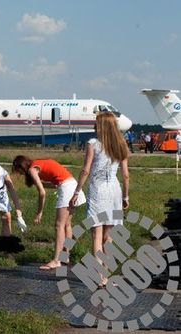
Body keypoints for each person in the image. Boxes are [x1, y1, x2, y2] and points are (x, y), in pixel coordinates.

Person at [70, 112, 129, 287]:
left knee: (96, 235)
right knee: (108, 237)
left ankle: (99, 276)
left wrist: (77, 191)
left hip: (98, 191)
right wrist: (126, 196)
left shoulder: (93, 144)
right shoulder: (121, 144)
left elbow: (85, 170)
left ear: (100, 126)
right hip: (115, 191)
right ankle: (107, 276)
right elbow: (125, 175)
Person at [12, 155, 86, 270]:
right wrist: (40, 184)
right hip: (73, 185)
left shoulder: (32, 169)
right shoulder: (38, 163)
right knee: (67, 224)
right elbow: (55, 183)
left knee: (59, 225)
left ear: (21, 167)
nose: (20, 174)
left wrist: (39, 212)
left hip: (66, 188)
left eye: (18, 171)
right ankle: (66, 256)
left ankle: (56, 260)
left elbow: (42, 193)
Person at [0, 164, 26, 236]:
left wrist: (19, 214)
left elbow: (12, 191)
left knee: (7, 217)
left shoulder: (3, 173)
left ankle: (5, 244)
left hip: (0, 193)